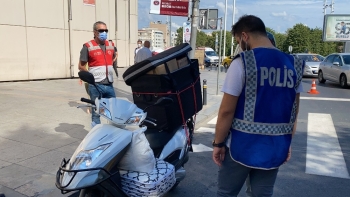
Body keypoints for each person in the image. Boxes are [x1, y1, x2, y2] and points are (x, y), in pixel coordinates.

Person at [212, 15, 304, 197]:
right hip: (275, 147)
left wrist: (218, 143)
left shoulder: (243, 63)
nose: (239, 45)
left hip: (241, 147)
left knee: (226, 193)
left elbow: (226, 111)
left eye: (238, 41)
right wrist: (287, 142)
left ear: (245, 36)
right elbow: (293, 110)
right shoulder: (294, 65)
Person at [78, 21, 117, 128]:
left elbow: (114, 57)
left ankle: (114, 135)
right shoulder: (88, 46)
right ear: (95, 32)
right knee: (96, 113)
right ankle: (97, 135)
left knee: (115, 111)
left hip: (109, 84)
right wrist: (88, 77)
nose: (104, 32)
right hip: (95, 86)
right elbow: (81, 66)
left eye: (106, 30)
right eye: (101, 30)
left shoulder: (111, 45)